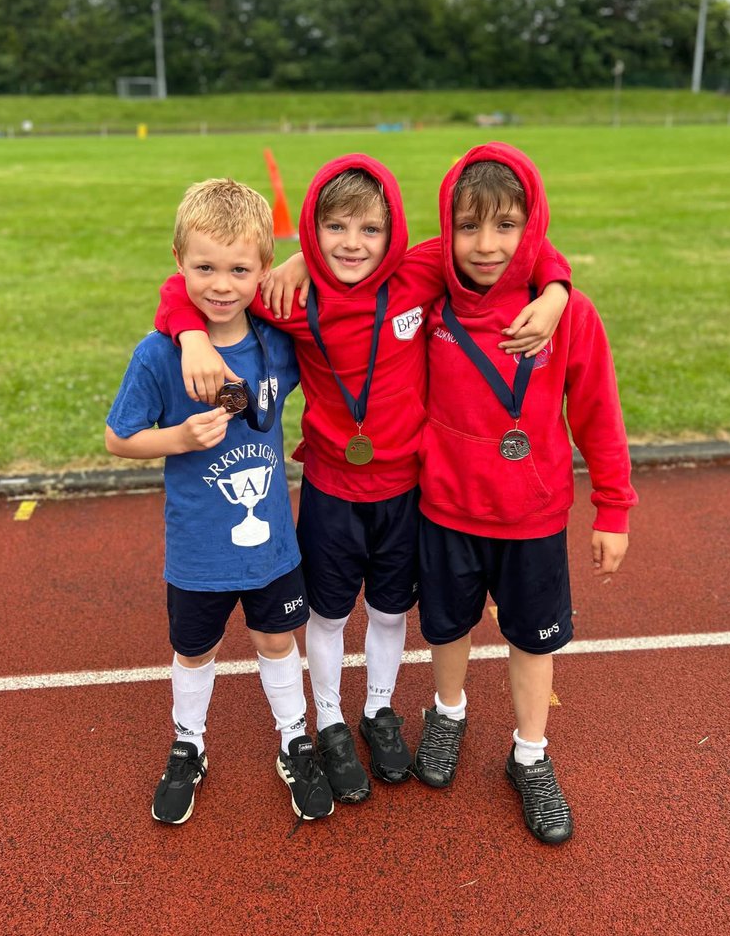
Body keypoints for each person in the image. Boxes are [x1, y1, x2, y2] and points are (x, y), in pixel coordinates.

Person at [153, 154, 572, 806]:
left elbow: (521, 248)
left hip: (405, 490)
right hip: (330, 487)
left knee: (388, 609)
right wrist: (191, 338)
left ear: (394, 231)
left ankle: (379, 710)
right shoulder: (289, 295)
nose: (353, 244)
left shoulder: (419, 272)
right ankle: (327, 721)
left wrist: (555, 292)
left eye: (370, 229)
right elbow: (198, 283)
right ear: (313, 233)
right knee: (326, 612)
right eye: (336, 228)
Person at [413, 142, 637, 845]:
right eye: (469, 226)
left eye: (506, 225)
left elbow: (598, 412)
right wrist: (299, 258)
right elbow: (357, 277)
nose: (486, 245)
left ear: (531, 225)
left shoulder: (567, 314)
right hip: (445, 505)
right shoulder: (431, 301)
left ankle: (529, 755)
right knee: (447, 626)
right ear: (447, 230)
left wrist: (614, 508)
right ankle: (446, 713)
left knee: (533, 640)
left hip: (533, 515)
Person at [105, 178, 333, 827]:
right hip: (198, 549)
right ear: (179, 265)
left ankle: (294, 738)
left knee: (275, 638)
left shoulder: (277, 341)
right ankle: (189, 743)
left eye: (240, 268)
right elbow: (118, 438)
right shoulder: (158, 354)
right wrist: (175, 437)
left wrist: (299, 260)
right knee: (194, 650)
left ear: (263, 269)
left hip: (271, 547)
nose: (222, 284)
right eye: (204, 267)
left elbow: (332, 287)